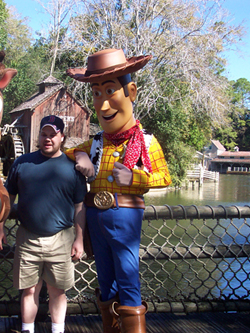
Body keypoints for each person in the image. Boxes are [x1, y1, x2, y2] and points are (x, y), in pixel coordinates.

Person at [65, 49, 172, 333]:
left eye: (110, 91)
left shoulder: (146, 142)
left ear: (131, 92)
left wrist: (134, 177)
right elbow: (66, 152)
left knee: (127, 276)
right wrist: (80, 157)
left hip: (125, 217)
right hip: (95, 218)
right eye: (97, 94)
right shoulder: (96, 143)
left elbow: (164, 177)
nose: (102, 104)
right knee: (105, 279)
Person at [0, 115, 88, 333]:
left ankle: (58, 330)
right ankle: (27, 329)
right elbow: (8, 199)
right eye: (43, 134)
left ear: (61, 137)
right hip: (27, 237)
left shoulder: (73, 168)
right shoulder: (22, 163)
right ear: (38, 136)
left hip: (62, 239)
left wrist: (79, 239)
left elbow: (79, 207)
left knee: (57, 292)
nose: (47, 139)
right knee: (29, 291)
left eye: (52, 135)